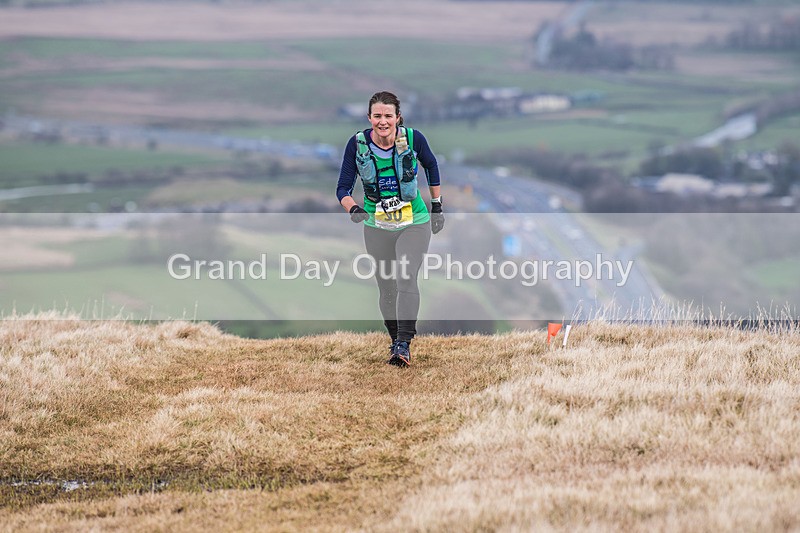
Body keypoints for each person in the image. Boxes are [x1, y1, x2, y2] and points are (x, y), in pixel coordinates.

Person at [336, 91, 444, 368]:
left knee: (406, 277)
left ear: (398, 117)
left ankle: (404, 345)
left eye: (388, 116)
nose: (382, 121)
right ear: (369, 118)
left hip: (414, 222)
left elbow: (431, 166)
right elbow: (342, 188)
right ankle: (395, 340)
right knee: (387, 287)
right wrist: (353, 209)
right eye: (377, 116)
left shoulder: (413, 139)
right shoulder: (357, 145)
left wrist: (437, 206)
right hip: (377, 225)